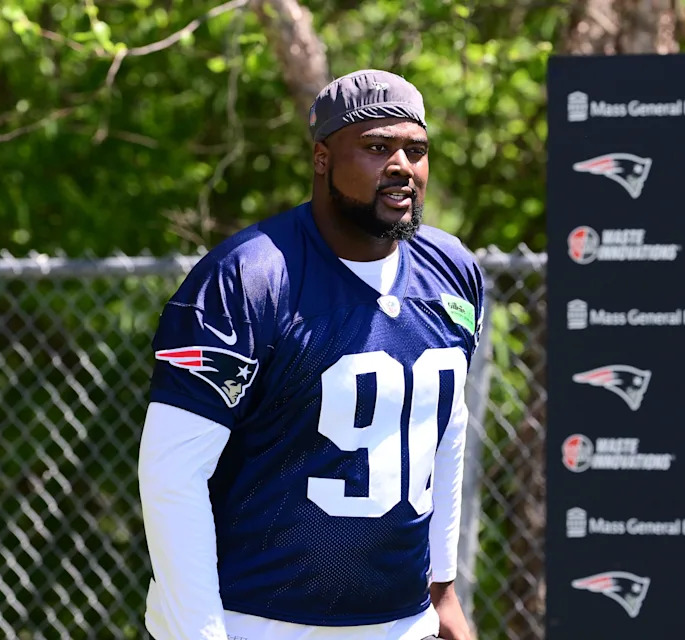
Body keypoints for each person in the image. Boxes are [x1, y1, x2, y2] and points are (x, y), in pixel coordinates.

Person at [137, 69, 484, 640]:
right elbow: (173, 473)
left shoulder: (451, 271)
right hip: (257, 624)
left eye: (416, 150)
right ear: (323, 158)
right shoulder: (245, 279)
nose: (402, 166)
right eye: (377, 147)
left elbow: (442, 431)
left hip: (402, 625)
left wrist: (442, 591)